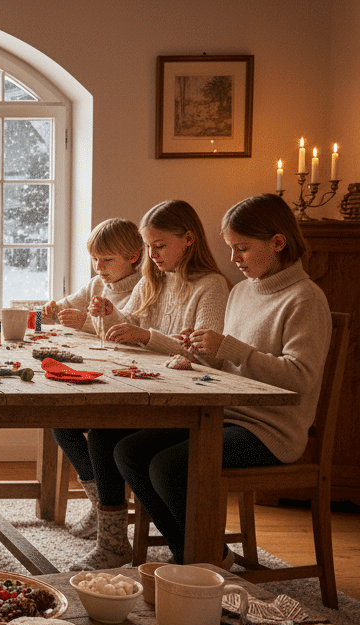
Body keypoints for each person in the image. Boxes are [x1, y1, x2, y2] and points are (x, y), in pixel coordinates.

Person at [115, 194, 331, 565]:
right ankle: (199, 555)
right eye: (231, 248)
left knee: (168, 467)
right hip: (225, 416)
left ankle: (202, 559)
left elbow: (300, 378)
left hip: (271, 431)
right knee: (128, 451)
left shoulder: (305, 299)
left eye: (242, 248)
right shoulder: (243, 291)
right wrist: (199, 350)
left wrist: (231, 349)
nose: (233, 258)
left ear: (278, 243)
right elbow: (225, 363)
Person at [71, 200, 230, 570]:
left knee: (116, 443)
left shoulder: (211, 286)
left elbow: (208, 360)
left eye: (159, 246)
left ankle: (194, 552)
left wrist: (146, 337)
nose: (152, 255)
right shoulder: (153, 279)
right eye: (148, 246)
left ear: (188, 239)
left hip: (187, 404)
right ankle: (113, 541)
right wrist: (111, 315)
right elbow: (131, 325)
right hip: (153, 391)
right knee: (100, 436)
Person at [43, 218, 143, 539]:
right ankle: (100, 505)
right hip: (100, 376)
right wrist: (52, 309)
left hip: (129, 387)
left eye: (107, 259)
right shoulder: (97, 284)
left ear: (133, 257)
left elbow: (128, 333)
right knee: (61, 421)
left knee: (95, 432)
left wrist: (85, 323)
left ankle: (106, 510)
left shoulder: (143, 288)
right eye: (94, 259)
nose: (98, 267)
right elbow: (66, 306)